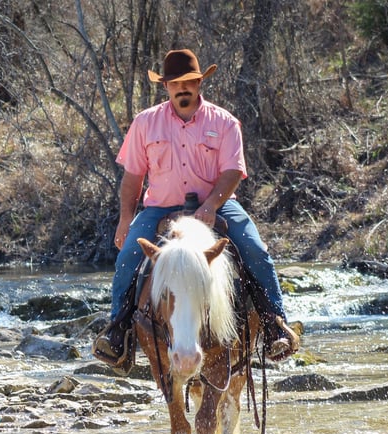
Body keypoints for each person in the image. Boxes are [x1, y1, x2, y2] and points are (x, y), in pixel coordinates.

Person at [93, 48, 299, 374]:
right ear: (166, 87)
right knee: (128, 257)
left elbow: (232, 171)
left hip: (217, 203)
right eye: (176, 83)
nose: (183, 88)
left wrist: (210, 205)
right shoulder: (146, 123)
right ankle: (118, 332)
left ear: (200, 82)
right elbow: (133, 178)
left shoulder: (224, 122)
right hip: (159, 206)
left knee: (256, 251)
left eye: (189, 81)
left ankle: (276, 326)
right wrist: (125, 218)